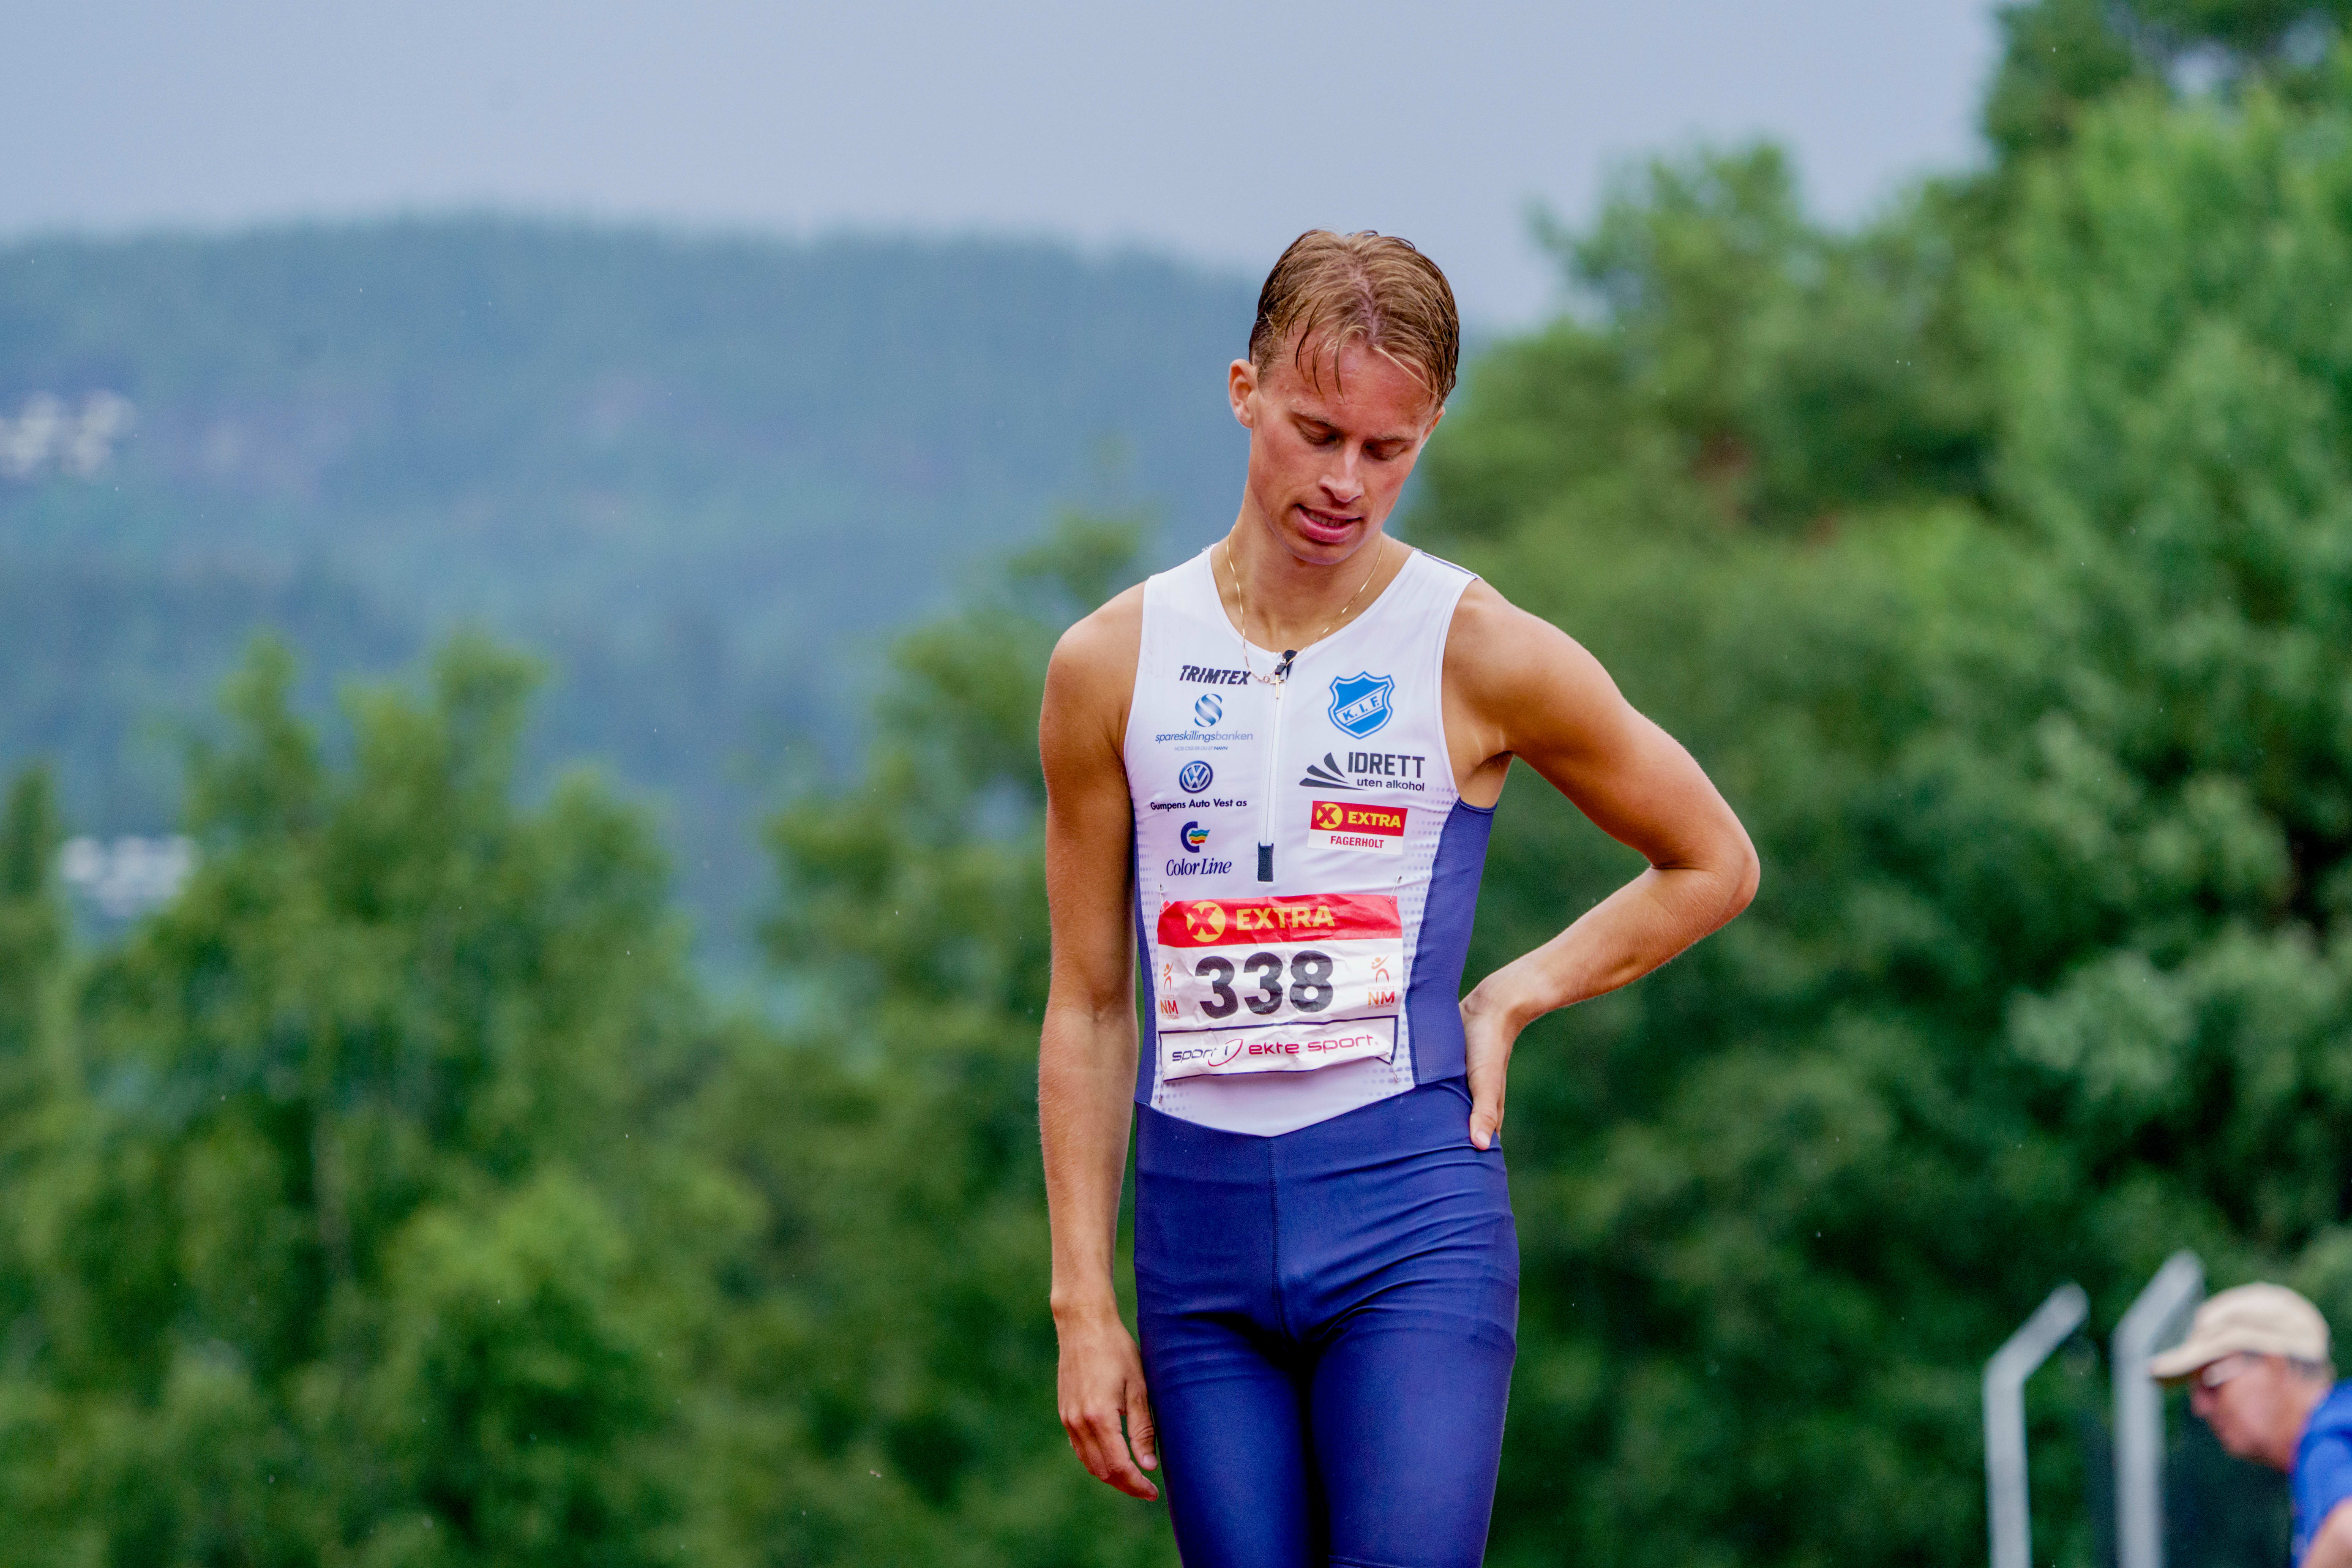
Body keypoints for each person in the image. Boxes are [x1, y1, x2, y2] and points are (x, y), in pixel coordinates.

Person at [1036, 229, 1759, 1568]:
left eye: (1388, 449)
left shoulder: (1475, 647)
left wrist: (1516, 992)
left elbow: (1711, 857)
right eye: (1316, 433)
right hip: (1197, 1246)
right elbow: (1085, 1002)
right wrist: (1082, 1300)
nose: (1343, 482)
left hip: (1407, 1221)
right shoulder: (1109, 663)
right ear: (1244, 390)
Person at [2154, 1282, 2352, 1567]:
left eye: (2211, 1382)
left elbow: (2347, 1533)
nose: (2199, 1407)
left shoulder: (2326, 1437)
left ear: (2274, 1366)